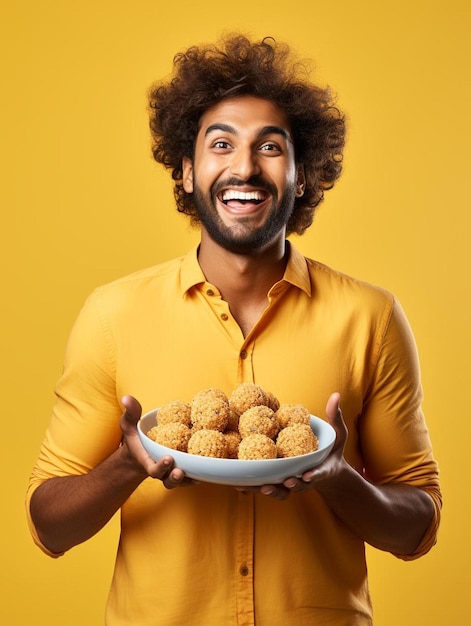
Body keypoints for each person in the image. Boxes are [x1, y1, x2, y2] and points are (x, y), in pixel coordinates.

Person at [27, 34, 441, 626]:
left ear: (302, 175)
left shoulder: (370, 317)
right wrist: (127, 463)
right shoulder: (112, 314)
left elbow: (418, 527)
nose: (244, 167)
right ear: (189, 169)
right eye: (221, 144)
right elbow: (49, 525)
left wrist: (339, 479)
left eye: (270, 147)